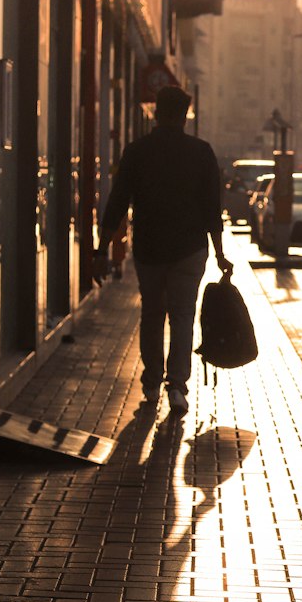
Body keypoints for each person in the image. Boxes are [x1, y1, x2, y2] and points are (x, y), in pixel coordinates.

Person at [92, 83, 232, 415]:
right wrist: (221, 252)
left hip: (149, 249)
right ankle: (178, 388)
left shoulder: (137, 150)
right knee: (183, 316)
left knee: (152, 314)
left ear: (156, 112)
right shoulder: (201, 152)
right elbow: (213, 208)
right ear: (185, 115)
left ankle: (153, 383)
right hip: (190, 249)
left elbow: (117, 201)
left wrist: (101, 248)